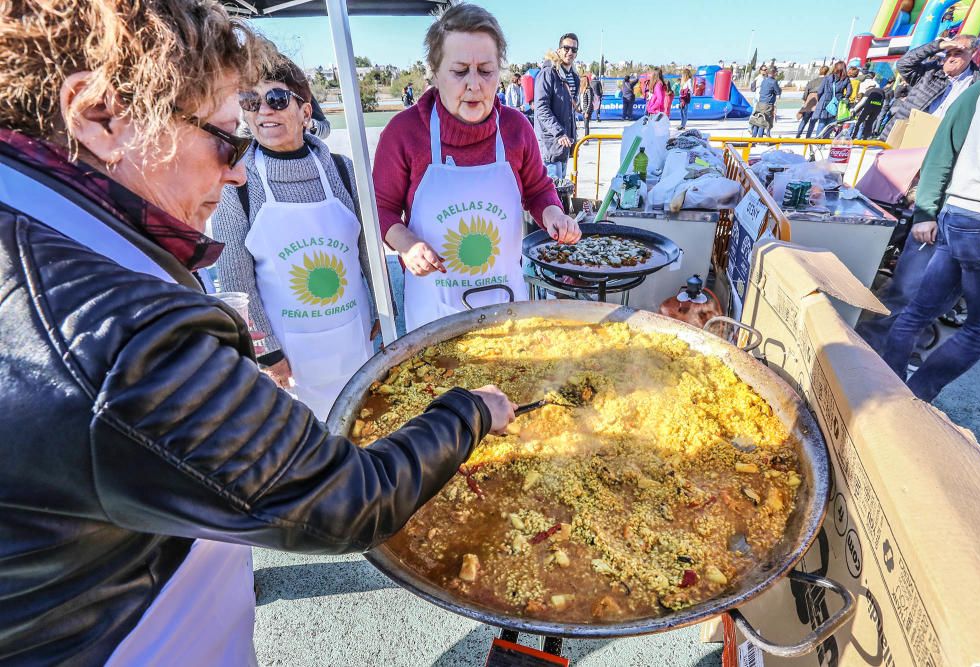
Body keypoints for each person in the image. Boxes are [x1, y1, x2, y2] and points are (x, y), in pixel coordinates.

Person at [0, 0, 519, 663]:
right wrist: (469, 409)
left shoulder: (35, 222)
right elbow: (342, 498)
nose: (240, 167)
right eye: (225, 135)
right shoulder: (119, 338)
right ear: (99, 116)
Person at [374, 4, 581, 333]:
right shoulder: (403, 133)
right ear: (435, 72)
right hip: (435, 310)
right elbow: (381, 210)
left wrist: (553, 214)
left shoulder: (516, 128)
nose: (474, 84)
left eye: (486, 70)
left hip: (506, 303)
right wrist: (406, 244)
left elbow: (538, 189)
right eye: (459, 71)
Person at [213, 55, 376, 419]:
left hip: (354, 332)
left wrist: (382, 306)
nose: (263, 112)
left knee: (363, 423)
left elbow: (365, 248)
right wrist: (267, 351)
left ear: (305, 111)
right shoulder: (239, 183)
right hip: (290, 357)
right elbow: (235, 278)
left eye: (276, 99)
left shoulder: (341, 170)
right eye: (250, 102)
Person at [881, 72, 980, 401]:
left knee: (916, 312)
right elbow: (943, 148)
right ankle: (913, 399)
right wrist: (925, 211)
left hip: (961, 213)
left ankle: (890, 391)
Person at [879, 35, 980, 140]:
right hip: (900, 137)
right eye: (948, 54)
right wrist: (939, 45)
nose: (950, 59)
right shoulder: (930, 73)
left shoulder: (979, 83)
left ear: (973, 53)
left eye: (957, 54)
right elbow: (903, 64)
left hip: (940, 144)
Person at [533, 32, 581, 180]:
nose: (570, 52)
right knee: (550, 191)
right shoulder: (548, 73)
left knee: (561, 191)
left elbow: (569, 113)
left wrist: (573, 138)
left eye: (574, 49)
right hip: (550, 144)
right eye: (566, 48)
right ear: (559, 50)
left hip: (564, 145)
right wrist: (559, 133)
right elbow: (541, 108)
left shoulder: (574, 77)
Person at [815, 60, 851, 135]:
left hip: (824, 102)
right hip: (836, 103)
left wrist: (820, 100)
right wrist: (845, 97)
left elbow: (820, 91)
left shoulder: (827, 77)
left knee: (821, 123)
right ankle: (824, 142)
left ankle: (818, 142)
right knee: (830, 125)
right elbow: (849, 91)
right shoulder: (846, 79)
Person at [796, 66, 828, 138]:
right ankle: (808, 136)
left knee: (804, 120)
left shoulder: (812, 81)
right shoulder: (827, 80)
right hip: (819, 100)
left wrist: (805, 100)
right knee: (813, 121)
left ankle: (798, 134)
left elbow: (806, 91)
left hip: (810, 100)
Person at [750, 66, 781, 138]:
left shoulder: (764, 80)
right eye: (776, 72)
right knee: (764, 121)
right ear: (774, 73)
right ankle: (760, 138)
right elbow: (778, 92)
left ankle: (753, 138)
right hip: (767, 104)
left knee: (757, 120)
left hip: (760, 102)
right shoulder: (773, 82)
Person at [579, 72, 595, 138]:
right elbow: (581, 100)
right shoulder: (582, 90)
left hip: (587, 110)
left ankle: (586, 138)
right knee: (585, 124)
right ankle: (586, 137)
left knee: (586, 125)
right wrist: (578, 107)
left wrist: (587, 112)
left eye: (581, 81)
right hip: (583, 109)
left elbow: (590, 101)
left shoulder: (589, 89)